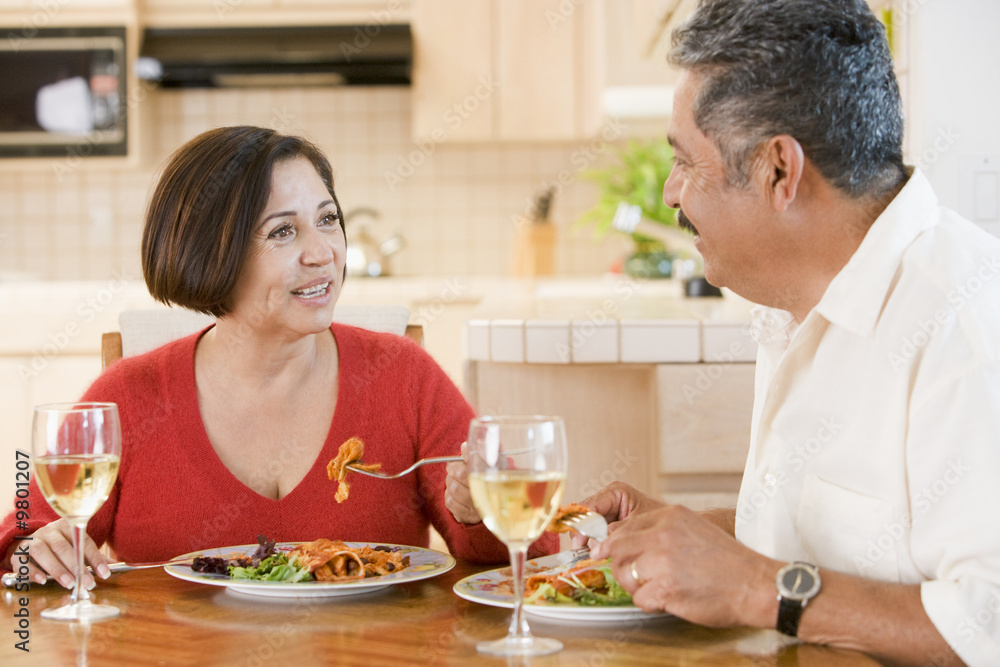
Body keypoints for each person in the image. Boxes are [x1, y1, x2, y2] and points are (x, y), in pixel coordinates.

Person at [570, 1, 1000, 666]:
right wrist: (683, 542)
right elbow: (833, 556)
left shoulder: (966, 325)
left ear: (779, 170)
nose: (670, 194)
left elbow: (986, 623)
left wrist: (748, 583)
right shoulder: (794, 300)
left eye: (685, 162)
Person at [1, 126, 555, 589]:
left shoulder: (404, 376)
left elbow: (521, 557)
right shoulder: (127, 396)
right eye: (283, 231)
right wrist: (34, 551)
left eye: (329, 219)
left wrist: (477, 510)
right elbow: (21, 540)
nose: (323, 254)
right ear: (211, 252)